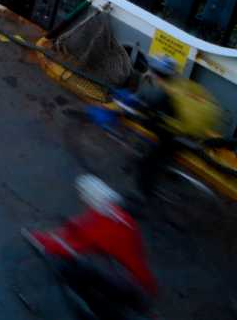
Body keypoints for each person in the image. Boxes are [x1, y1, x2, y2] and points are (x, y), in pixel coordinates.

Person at [26, 175, 157, 320]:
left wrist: (38, 239)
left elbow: (73, 246)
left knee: (75, 276)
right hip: (142, 284)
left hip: (126, 285)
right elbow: (85, 229)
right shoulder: (124, 221)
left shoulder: (101, 222)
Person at [134, 56, 224, 200]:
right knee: (164, 142)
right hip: (199, 131)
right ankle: (168, 170)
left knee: (150, 162)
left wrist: (142, 113)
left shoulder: (164, 95)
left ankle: (143, 195)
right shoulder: (183, 84)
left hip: (183, 135)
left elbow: (151, 114)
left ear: (157, 75)